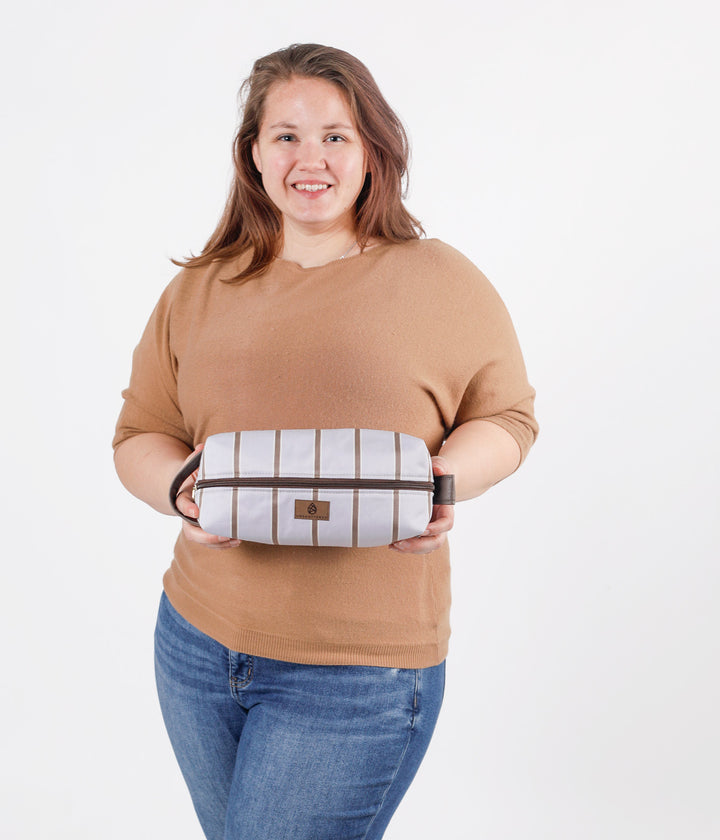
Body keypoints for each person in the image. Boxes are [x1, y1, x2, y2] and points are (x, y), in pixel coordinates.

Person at [113, 43, 537, 840]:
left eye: (336, 136)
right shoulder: (199, 287)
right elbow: (142, 434)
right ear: (253, 155)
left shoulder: (441, 280)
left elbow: (508, 418)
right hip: (197, 647)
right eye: (287, 136)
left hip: (359, 674)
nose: (311, 158)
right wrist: (178, 490)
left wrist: (447, 479)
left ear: (373, 152)